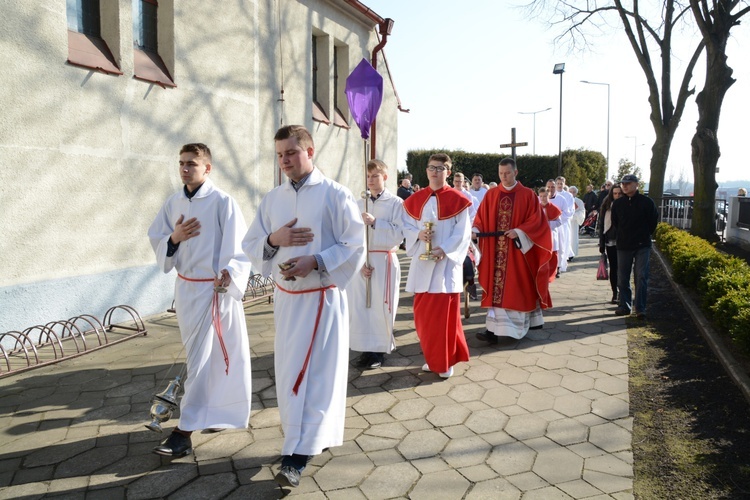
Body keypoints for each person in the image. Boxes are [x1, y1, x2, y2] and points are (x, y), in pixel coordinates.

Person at [242, 125, 365, 488]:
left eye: (292, 153)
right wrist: (273, 239)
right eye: (280, 154)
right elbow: (251, 244)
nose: (285, 161)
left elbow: (354, 243)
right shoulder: (272, 199)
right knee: (290, 372)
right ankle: (298, 435)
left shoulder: (335, 194)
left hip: (322, 298)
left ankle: (298, 453)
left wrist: (318, 261)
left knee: (319, 375)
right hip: (287, 300)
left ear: (310, 151)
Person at [147, 143, 253, 457]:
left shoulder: (223, 202)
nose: (185, 168)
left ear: (207, 168)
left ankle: (184, 431)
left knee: (202, 361)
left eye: (191, 163)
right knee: (206, 359)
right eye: (181, 163)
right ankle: (216, 412)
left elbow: (241, 248)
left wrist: (229, 272)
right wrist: (174, 238)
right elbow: (158, 239)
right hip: (186, 289)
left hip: (214, 290)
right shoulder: (173, 202)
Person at [403, 153, 471, 378]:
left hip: (444, 266)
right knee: (423, 318)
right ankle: (433, 358)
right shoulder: (415, 199)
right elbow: (406, 226)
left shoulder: (458, 199)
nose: (435, 171)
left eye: (440, 168)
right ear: (426, 171)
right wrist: (418, 233)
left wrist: (445, 249)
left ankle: (444, 362)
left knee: (443, 319)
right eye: (432, 167)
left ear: (448, 172)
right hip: (422, 265)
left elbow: (463, 233)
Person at [474, 158, 553, 343]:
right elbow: (480, 218)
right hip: (495, 252)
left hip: (518, 253)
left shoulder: (528, 195)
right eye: (500, 173)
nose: (504, 176)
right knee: (496, 289)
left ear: (515, 172)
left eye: (507, 173)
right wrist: (476, 231)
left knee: (516, 289)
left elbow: (538, 222)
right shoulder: (491, 194)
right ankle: (492, 330)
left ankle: (515, 329)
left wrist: (519, 231)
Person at [348, 159, 404, 370]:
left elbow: (400, 234)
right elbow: (351, 235)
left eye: (375, 176)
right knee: (362, 307)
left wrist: (376, 223)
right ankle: (365, 349)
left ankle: (379, 350)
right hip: (363, 261)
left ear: (385, 177)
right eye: (368, 176)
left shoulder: (396, 203)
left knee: (381, 306)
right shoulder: (358, 202)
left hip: (384, 260)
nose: (371, 180)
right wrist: (359, 262)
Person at [611, 174, 659, 320]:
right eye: (623, 183)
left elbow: (653, 222)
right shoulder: (618, 204)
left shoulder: (647, 202)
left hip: (642, 245)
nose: (625, 186)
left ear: (637, 185)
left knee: (641, 276)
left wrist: (643, 235)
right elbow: (615, 223)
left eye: (628, 183)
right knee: (623, 277)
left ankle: (640, 308)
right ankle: (625, 306)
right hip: (624, 245)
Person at [597, 182, 623, 304]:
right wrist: (601, 243)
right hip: (610, 240)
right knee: (614, 267)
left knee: (623, 268)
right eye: (615, 193)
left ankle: (623, 292)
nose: (617, 195)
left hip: (623, 241)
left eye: (619, 193)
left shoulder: (625, 205)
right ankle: (615, 293)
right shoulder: (606, 205)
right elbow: (602, 225)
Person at [546, 179, 572, 274]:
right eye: (548, 187)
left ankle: (557, 267)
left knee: (559, 247)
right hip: (544, 229)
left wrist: (555, 218)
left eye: (552, 187)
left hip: (558, 227)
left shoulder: (561, 199)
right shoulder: (540, 198)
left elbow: (567, 213)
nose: (550, 189)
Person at [538, 187, 563, 283]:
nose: (543, 198)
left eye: (545, 196)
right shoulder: (536, 207)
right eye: (541, 196)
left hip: (551, 234)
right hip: (540, 235)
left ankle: (551, 275)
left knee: (552, 255)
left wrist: (548, 224)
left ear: (548, 196)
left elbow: (559, 222)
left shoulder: (554, 208)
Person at [568, 186, 586, 258]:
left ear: (576, 193)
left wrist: (574, 215)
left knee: (573, 238)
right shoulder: (565, 200)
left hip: (574, 223)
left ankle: (571, 254)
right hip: (567, 223)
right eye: (570, 192)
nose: (572, 193)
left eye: (574, 192)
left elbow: (582, 211)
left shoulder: (579, 201)